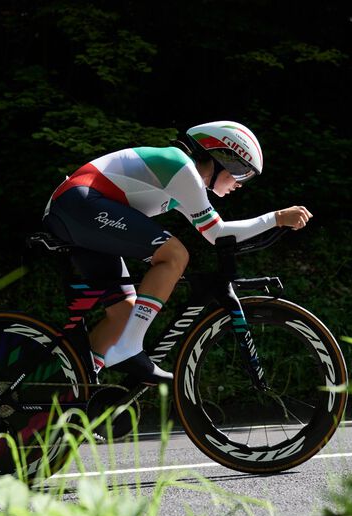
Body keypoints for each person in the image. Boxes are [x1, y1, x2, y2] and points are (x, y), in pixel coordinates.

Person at [41, 120, 313, 384]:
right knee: (174, 254)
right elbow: (216, 233)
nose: (241, 183)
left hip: (78, 210)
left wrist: (274, 223)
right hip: (78, 204)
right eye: (242, 173)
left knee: (123, 314)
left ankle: (72, 387)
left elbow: (218, 234)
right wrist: (276, 218)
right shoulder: (182, 169)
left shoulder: (180, 181)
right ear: (223, 159)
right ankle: (130, 348)